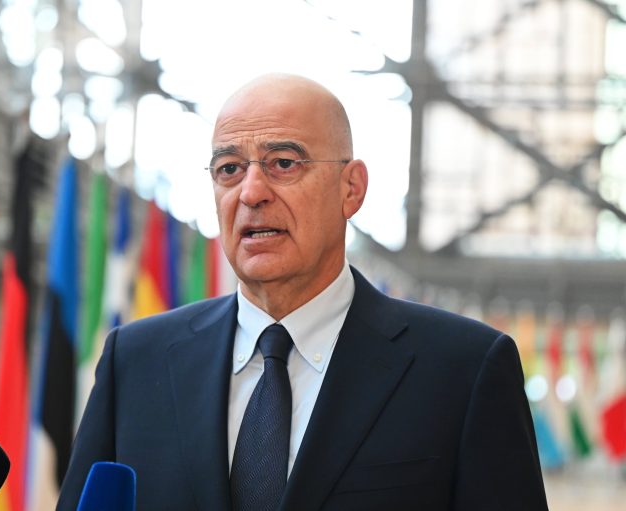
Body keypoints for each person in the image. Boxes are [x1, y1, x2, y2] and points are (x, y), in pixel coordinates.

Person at [57, 74, 548, 510]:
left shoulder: (464, 370)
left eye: (283, 163)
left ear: (351, 188)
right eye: (229, 169)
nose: (251, 192)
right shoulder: (135, 361)